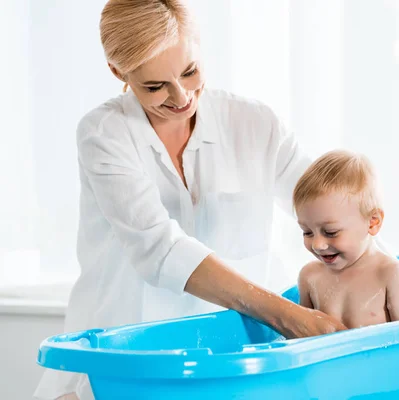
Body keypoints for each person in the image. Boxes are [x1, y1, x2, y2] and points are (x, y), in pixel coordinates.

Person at [34, 1, 346, 399]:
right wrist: (289, 316)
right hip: (121, 365)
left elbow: (330, 207)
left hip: (234, 364)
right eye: (154, 86)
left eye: (190, 71)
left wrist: (379, 275)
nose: (181, 96)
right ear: (119, 73)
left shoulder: (256, 125)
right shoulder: (104, 134)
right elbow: (160, 249)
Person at [293, 150, 399, 329]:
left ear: (372, 223)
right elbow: (301, 334)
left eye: (331, 232)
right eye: (307, 232)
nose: (318, 244)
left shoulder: (390, 276)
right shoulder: (310, 277)